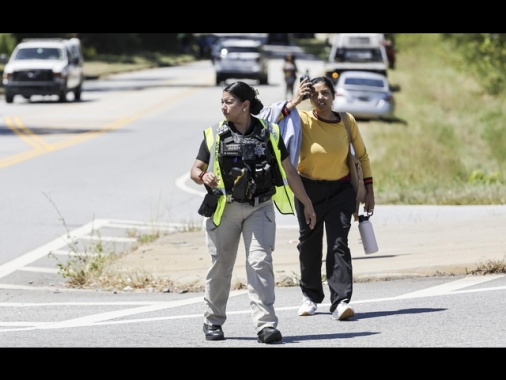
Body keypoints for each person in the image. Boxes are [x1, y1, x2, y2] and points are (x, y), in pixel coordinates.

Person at [190, 81, 316, 344]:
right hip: (225, 209)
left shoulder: (269, 132)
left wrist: (306, 203)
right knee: (221, 266)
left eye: (229, 102)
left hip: (260, 207)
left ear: (245, 106)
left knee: (260, 263)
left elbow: (289, 171)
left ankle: (266, 326)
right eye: (222, 102)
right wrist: (204, 176)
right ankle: (212, 321)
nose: (223, 106)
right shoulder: (214, 133)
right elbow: (195, 169)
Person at [277, 76, 376, 321]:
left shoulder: (346, 120)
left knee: (338, 244)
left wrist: (369, 190)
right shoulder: (301, 119)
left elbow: (362, 156)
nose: (320, 98)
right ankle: (310, 297)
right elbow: (271, 122)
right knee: (309, 243)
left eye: (325, 93)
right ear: (309, 98)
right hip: (307, 191)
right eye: (315, 94)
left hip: (341, 191)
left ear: (333, 96)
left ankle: (340, 301)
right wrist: (295, 100)